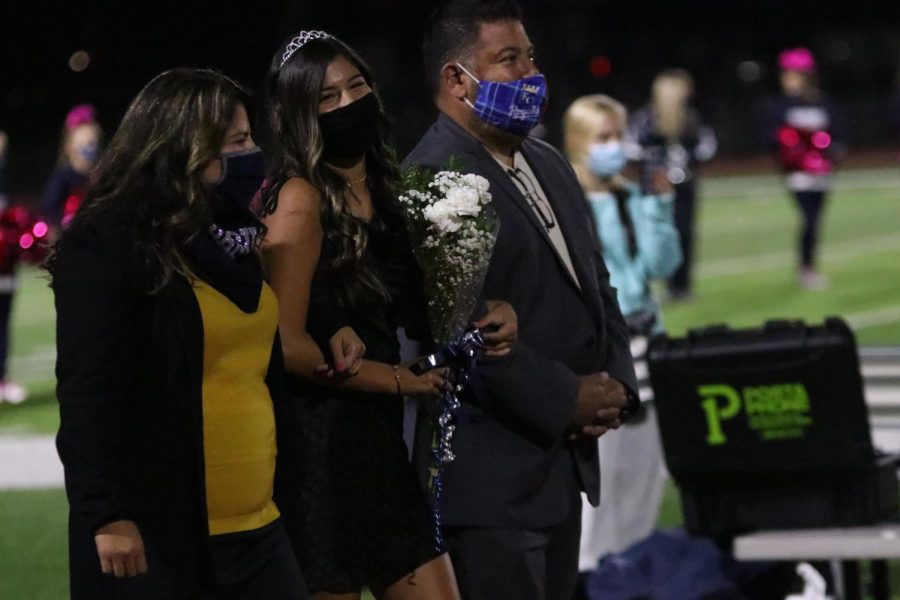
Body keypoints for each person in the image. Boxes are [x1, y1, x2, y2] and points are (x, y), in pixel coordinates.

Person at [261, 31, 518, 600]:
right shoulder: (301, 197)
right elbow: (286, 345)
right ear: (299, 114)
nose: (349, 103)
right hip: (319, 451)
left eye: (357, 86)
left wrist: (482, 312)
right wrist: (400, 381)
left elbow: (409, 307)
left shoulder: (385, 185)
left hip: (377, 448)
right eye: (327, 98)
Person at [405, 2, 639, 598]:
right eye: (507, 59)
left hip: (560, 464)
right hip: (492, 483)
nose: (530, 72)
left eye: (529, 54)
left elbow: (596, 284)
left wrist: (615, 384)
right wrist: (568, 397)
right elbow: (464, 330)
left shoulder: (546, 160)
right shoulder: (434, 177)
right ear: (456, 79)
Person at [49, 68, 308, 600]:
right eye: (237, 142)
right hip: (164, 534)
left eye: (251, 138)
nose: (253, 152)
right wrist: (107, 513)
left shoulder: (231, 236)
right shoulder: (109, 244)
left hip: (260, 525)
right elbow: (87, 391)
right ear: (187, 146)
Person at [563, 94, 682, 596]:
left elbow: (662, 265)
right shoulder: (565, 202)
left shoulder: (629, 197)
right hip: (604, 357)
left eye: (618, 136)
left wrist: (657, 205)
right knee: (602, 483)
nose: (614, 147)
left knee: (644, 474)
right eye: (602, 138)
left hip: (647, 344)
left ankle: (633, 572)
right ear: (579, 143)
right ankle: (591, 577)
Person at [627, 69, 716, 301]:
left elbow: (707, 146)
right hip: (654, 187)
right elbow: (631, 147)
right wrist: (655, 159)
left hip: (684, 186)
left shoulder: (691, 117)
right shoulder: (646, 118)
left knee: (685, 234)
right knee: (654, 235)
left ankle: (682, 286)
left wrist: (688, 158)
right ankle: (649, 285)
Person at [765, 47, 842, 290]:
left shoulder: (822, 102)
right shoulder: (780, 105)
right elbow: (771, 137)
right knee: (808, 218)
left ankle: (808, 266)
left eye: (793, 75)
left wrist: (831, 153)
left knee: (816, 220)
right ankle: (805, 269)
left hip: (821, 172)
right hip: (797, 173)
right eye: (786, 76)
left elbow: (836, 132)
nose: (788, 80)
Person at [41, 104, 101, 230]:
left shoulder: (99, 178)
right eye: (81, 144)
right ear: (68, 147)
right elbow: (49, 211)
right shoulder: (60, 179)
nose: (87, 150)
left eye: (91, 143)